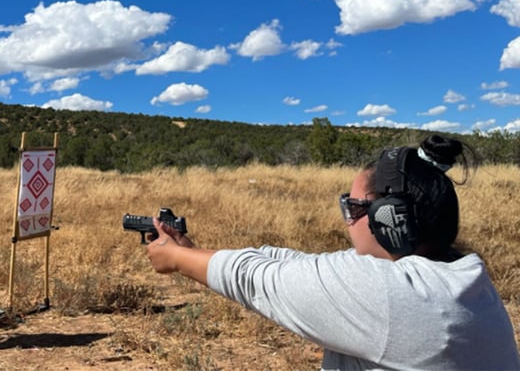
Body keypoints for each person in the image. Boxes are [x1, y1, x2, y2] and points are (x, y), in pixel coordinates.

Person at [146, 134, 520, 370]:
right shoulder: (460, 276)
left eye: (353, 207)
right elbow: (297, 264)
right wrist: (193, 251)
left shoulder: (393, 295)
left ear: (389, 219)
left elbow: (257, 279)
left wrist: (175, 259)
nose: (346, 220)